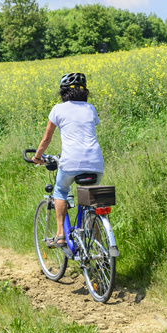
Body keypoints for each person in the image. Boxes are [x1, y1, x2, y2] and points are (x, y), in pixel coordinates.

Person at [32, 72, 104, 247]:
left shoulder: (58, 109)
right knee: (90, 200)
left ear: (63, 92)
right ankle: (101, 247)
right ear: (84, 91)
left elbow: (46, 139)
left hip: (71, 162)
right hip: (96, 163)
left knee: (60, 190)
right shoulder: (90, 108)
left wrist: (37, 157)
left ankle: (60, 234)